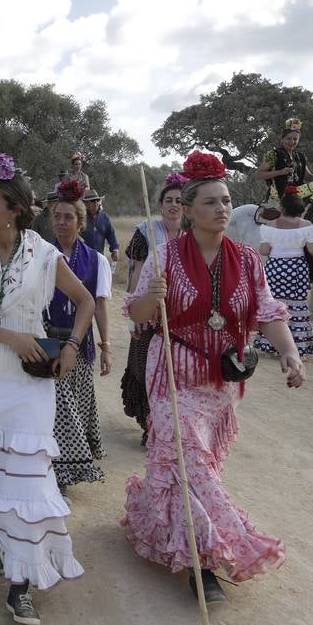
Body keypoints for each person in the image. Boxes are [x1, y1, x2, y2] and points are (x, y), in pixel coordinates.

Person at [124, 150, 304, 604]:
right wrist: (153, 295)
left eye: (225, 201)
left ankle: (159, 519)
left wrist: (289, 352)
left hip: (221, 379)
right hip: (172, 371)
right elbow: (140, 315)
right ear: (187, 210)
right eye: (210, 202)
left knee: (194, 465)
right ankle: (207, 561)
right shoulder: (163, 257)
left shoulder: (246, 260)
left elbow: (266, 312)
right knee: (188, 460)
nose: (222, 209)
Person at [0, 152, 94, 625]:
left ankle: (21, 584)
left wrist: (72, 345)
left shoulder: (46, 254)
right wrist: (12, 338)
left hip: (31, 381)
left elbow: (86, 300)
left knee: (28, 475)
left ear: (14, 208)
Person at [45, 180, 112, 491]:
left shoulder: (96, 261)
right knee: (52, 407)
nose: (61, 222)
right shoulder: (40, 254)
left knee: (76, 408)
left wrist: (106, 346)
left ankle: (66, 473)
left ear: (80, 222)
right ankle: (52, 473)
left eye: (68, 217)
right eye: (56, 216)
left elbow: (98, 305)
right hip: (46, 342)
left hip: (80, 345)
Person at [121, 172, 185, 444]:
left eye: (179, 201)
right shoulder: (145, 232)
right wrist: (136, 308)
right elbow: (136, 272)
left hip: (179, 313)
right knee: (147, 368)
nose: (173, 205)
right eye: (168, 200)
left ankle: (170, 427)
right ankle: (150, 425)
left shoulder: (193, 235)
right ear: (160, 205)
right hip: (149, 309)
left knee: (175, 373)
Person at [254, 187, 313, 358]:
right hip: (297, 269)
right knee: (296, 304)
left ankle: (272, 344)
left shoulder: (269, 226)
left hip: (275, 268)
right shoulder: (307, 226)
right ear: (300, 208)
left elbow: (263, 250)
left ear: (282, 208)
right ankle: (296, 346)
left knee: (275, 304)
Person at [255, 118, 313, 215]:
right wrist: (280, 172)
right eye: (289, 138)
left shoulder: (299, 157)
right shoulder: (273, 154)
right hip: (281, 194)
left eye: (295, 139)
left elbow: (308, 176)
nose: (292, 142)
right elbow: (258, 175)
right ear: (282, 139)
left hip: (297, 192)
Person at [80, 189, 120, 262]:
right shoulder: (80, 217)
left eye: (97, 200)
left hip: (99, 257)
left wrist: (115, 250)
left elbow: (111, 234)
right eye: (92, 201)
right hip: (82, 258)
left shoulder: (104, 217)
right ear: (86, 203)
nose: (95, 203)